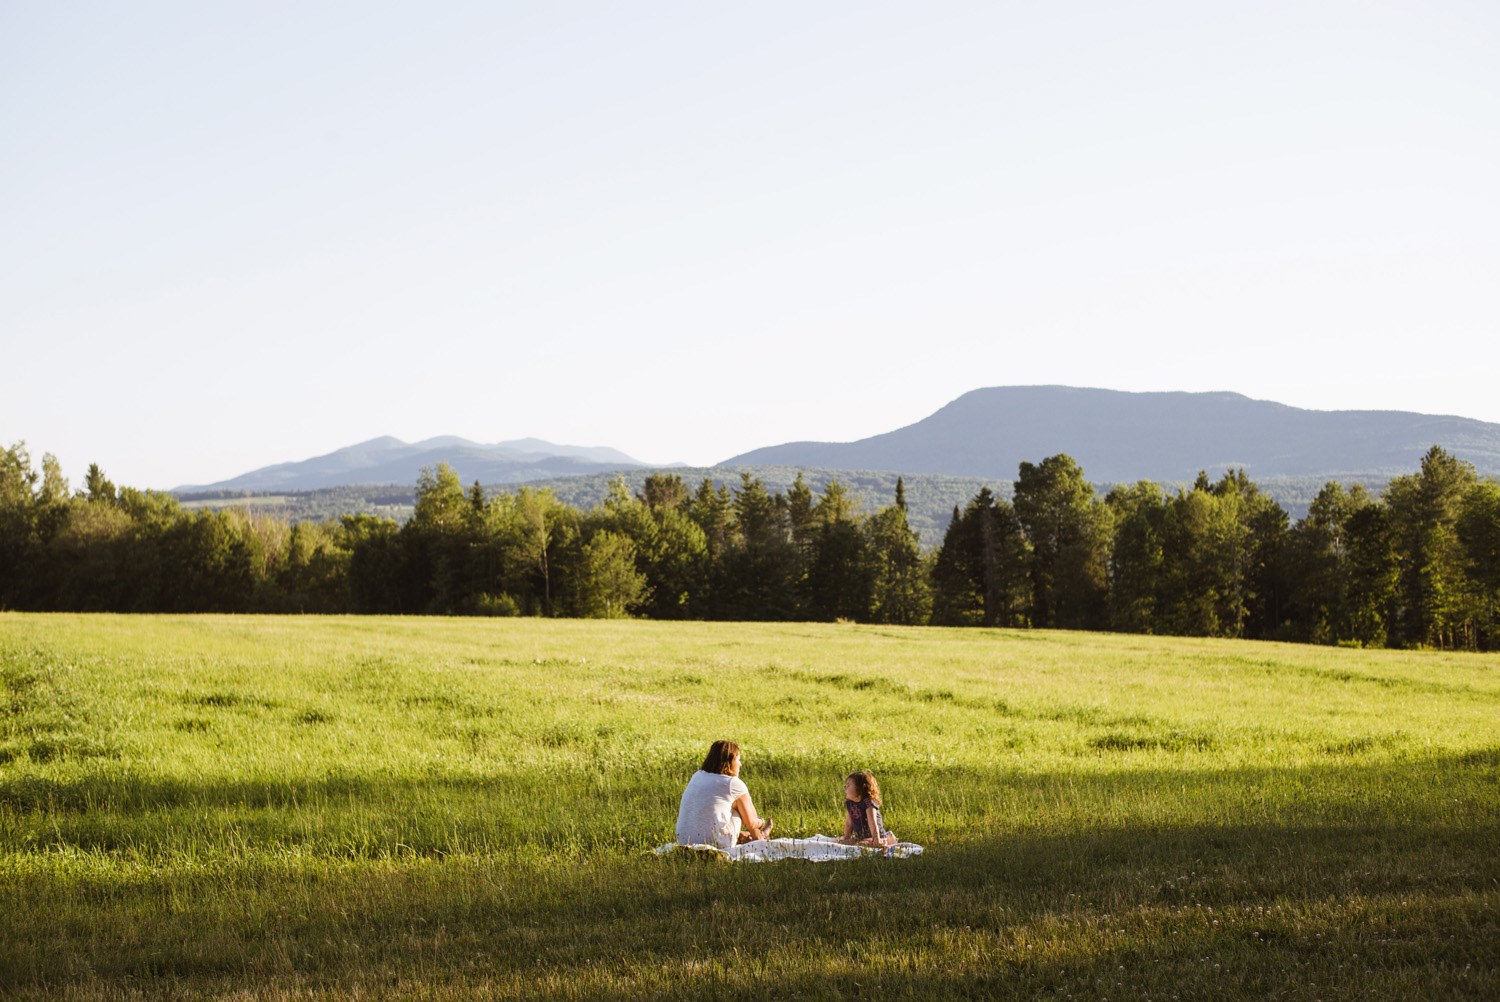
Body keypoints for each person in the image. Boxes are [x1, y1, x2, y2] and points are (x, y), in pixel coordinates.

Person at [675, 740, 773, 849]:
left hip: (684, 841)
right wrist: (761, 822)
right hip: (715, 845)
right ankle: (760, 838)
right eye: (738, 760)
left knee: (726, 802)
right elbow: (750, 823)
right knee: (739, 805)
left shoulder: (697, 776)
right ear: (730, 761)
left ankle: (751, 837)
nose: (740, 764)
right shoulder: (733, 783)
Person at [838, 770, 897, 847]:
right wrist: (846, 838)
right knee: (843, 843)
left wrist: (876, 840)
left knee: (860, 845)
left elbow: (872, 822)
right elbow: (848, 824)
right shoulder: (850, 803)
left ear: (859, 788)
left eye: (848, 785)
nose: (845, 787)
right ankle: (861, 841)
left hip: (875, 836)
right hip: (861, 837)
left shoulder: (868, 803)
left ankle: (887, 838)